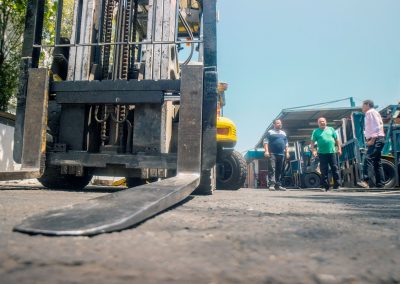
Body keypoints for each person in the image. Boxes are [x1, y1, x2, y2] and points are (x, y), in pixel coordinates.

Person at [358, 100, 385, 188]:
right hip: (379, 139)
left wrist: (372, 139)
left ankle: (368, 182)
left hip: (375, 139)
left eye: (363, 105)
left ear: (367, 105)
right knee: (377, 162)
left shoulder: (370, 112)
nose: (362, 107)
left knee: (368, 158)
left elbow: (376, 126)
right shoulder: (374, 112)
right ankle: (380, 184)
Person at [310, 117, 342, 191]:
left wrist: (339, 149)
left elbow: (337, 140)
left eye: (323, 121)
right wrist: (313, 151)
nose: (322, 123)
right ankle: (326, 187)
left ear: (326, 122)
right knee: (324, 170)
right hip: (322, 153)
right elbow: (312, 142)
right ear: (318, 123)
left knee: (335, 168)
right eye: (320, 122)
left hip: (332, 152)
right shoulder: (316, 131)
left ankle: (337, 185)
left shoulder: (331, 129)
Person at [263, 119, 290, 190]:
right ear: (274, 124)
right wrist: (266, 151)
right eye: (278, 123)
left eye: (280, 123)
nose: (280, 124)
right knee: (272, 169)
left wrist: (287, 152)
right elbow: (265, 141)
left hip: (282, 154)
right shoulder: (270, 132)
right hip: (272, 154)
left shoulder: (283, 133)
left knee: (280, 169)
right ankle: (272, 184)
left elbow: (286, 144)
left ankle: (278, 185)